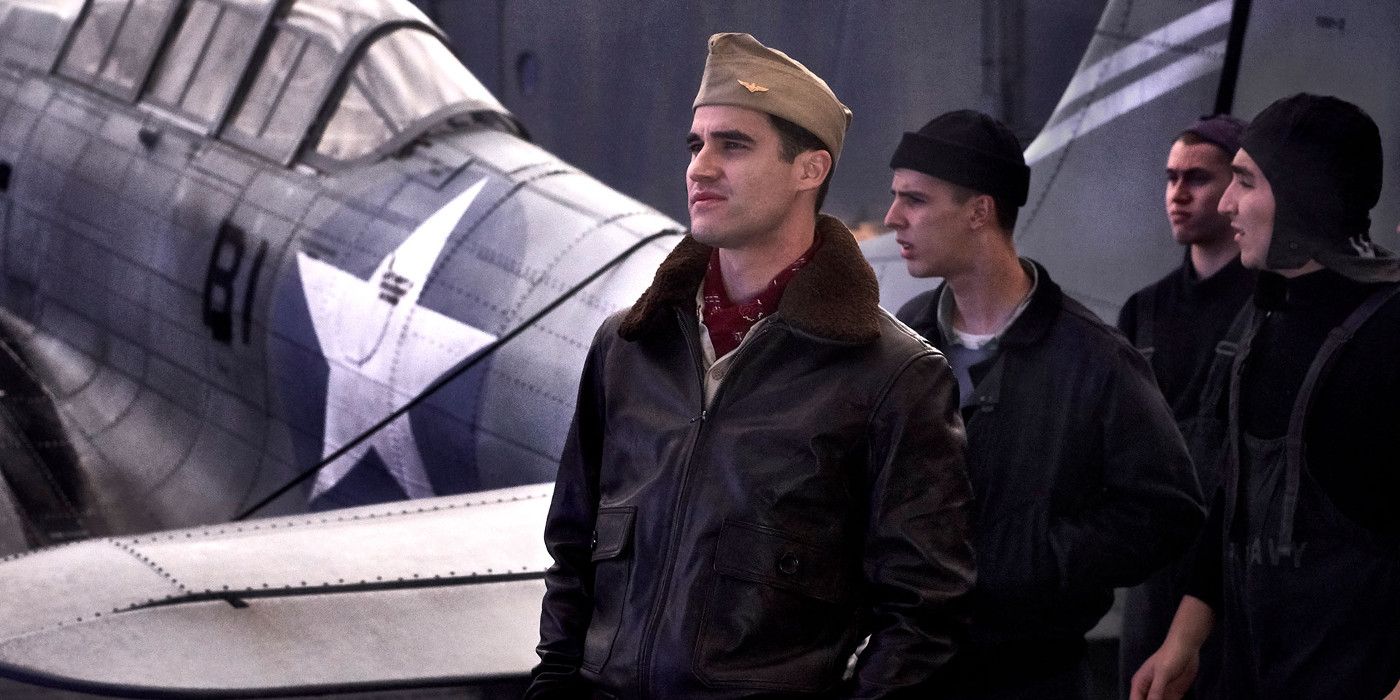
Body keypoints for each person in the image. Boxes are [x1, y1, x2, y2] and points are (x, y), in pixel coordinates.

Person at [527, 33, 977, 698]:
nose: (700, 168)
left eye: (732, 145)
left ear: (810, 169)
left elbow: (923, 616)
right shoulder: (626, 348)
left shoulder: (892, 377)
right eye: (696, 144)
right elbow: (572, 563)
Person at [885, 110, 1205, 699]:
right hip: (910, 676)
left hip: (1034, 678)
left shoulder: (1094, 359)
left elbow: (1168, 510)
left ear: (979, 211)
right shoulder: (905, 343)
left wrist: (1040, 557)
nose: (893, 218)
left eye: (916, 200)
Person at [1131, 94, 1400, 700]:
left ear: (1304, 196)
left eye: (1245, 182)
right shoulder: (1265, 321)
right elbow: (1235, 502)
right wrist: (1184, 641)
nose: (1226, 203)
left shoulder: (1389, 334)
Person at [1116, 114, 1254, 697]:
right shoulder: (1141, 312)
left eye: (1198, 177)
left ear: (1237, 190)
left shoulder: (1270, 309)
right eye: (1171, 177)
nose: (1178, 192)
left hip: (1237, 576)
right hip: (1153, 577)